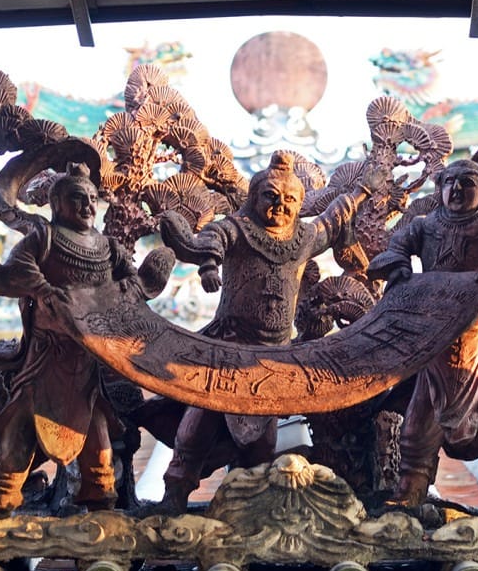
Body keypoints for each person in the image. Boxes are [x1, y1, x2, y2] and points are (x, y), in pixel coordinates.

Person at [151, 150, 383, 510]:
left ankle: (249, 501)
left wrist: (362, 193)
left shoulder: (303, 237)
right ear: (254, 198)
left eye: (290, 200)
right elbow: (215, 235)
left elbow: (333, 220)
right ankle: (175, 493)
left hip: (273, 355)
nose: (280, 205)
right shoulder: (240, 229)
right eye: (271, 196)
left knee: (262, 441)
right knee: (196, 425)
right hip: (227, 349)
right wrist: (209, 265)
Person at [0, 170, 165, 517]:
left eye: (91, 199)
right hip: (44, 363)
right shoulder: (44, 239)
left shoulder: (106, 246)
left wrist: (135, 283)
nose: (87, 205)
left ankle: (100, 516)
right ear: (56, 204)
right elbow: (16, 268)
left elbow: (130, 280)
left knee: (99, 449)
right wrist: (42, 289)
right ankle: (0, 510)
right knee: (17, 442)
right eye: (77, 198)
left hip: (86, 368)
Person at [366, 155, 478, 505]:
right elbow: (395, 247)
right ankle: (409, 494)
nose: (457, 189)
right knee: (416, 428)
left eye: (467, 183)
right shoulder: (424, 225)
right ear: (440, 187)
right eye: (450, 182)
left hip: (476, 348)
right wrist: (399, 268)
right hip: (431, 346)